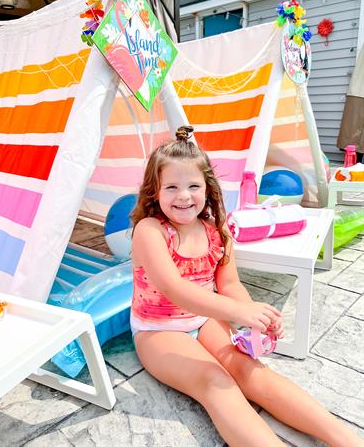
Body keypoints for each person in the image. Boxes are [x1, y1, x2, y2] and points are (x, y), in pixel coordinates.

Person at [130, 125, 363, 447]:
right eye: (171, 187)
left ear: (207, 188)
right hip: (158, 330)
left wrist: (256, 314)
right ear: (154, 192)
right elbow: (175, 289)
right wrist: (239, 311)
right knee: (214, 381)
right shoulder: (150, 230)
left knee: (250, 371)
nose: (184, 196)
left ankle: (347, 440)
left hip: (205, 319)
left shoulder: (216, 230)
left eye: (193, 185)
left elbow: (230, 285)